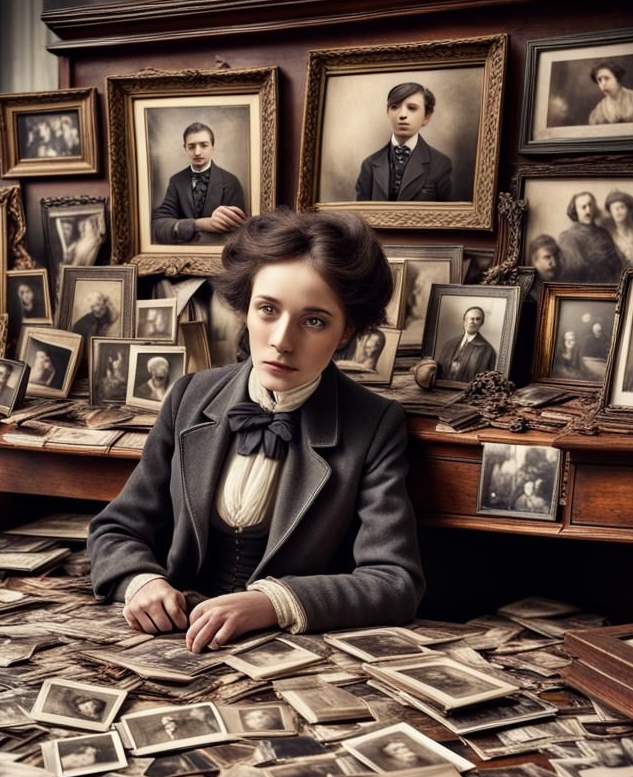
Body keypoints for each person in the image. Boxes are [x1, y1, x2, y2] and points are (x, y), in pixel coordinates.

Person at [87, 209, 424, 650]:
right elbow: (116, 529)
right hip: (173, 636)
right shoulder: (189, 396)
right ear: (246, 306)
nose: (283, 339)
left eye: (314, 320)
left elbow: (395, 581)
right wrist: (140, 581)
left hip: (289, 642)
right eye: (267, 309)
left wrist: (273, 602)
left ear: (347, 332)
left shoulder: (375, 424)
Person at [151, 122, 247, 244]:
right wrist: (198, 224)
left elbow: (239, 231)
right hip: (182, 252)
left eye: (203, 145)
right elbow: (159, 225)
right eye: (191, 146)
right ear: (185, 148)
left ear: (213, 147)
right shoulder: (176, 181)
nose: (197, 152)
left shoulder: (230, 181)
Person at [355, 82, 452, 202]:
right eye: (394, 107)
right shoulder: (369, 165)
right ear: (388, 112)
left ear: (426, 117)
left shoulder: (441, 164)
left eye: (412, 108)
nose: (402, 115)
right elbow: (361, 215)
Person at [557, 191, 623, 284]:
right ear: (575, 211)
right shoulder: (568, 237)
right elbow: (573, 272)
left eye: (590, 206)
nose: (588, 211)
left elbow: (617, 263)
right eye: (583, 207)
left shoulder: (603, 233)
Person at [434, 306, 496, 383]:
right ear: (464, 321)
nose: (472, 321)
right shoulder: (449, 344)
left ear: (482, 323)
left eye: (477, 319)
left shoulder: (487, 350)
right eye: (470, 318)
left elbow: (485, 381)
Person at [588, 60, 633, 126]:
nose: (603, 84)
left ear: (617, 78)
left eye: (606, 78)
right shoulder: (599, 110)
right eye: (599, 80)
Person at [602, 190, 633, 267]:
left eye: (621, 207)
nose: (618, 211)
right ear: (610, 212)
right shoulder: (607, 235)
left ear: (628, 210)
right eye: (614, 208)